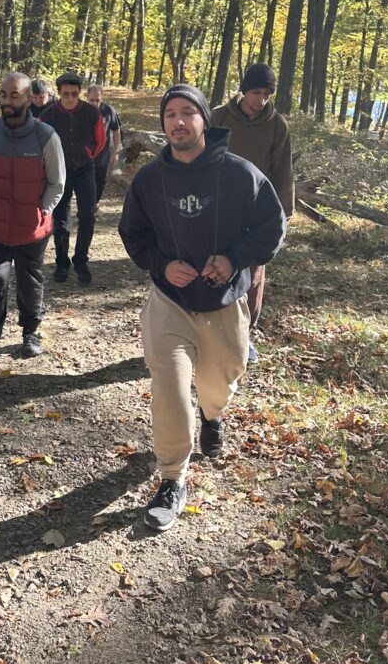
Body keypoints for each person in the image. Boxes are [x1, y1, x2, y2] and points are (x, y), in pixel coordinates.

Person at [119, 84, 285, 533]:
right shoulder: (150, 180)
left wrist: (234, 259)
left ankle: (212, 416)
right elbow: (133, 234)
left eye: (187, 112)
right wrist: (161, 264)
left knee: (220, 382)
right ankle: (172, 478)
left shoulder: (240, 174)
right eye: (169, 114)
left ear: (204, 121)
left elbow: (272, 226)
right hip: (170, 302)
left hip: (224, 303)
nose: (177, 121)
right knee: (170, 386)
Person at [0, 72, 65, 381]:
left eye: (14, 95)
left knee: (30, 282)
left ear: (28, 99)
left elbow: (57, 182)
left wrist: (43, 210)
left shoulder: (46, 136)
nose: (7, 101)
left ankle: (30, 332)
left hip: (32, 229)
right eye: (3, 95)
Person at [210, 63, 294, 361]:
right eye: (256, 92)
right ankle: (210, 333)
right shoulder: (219, 117)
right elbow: (204, 160)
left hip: (259, 210)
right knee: (215, 269)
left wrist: (283, 214)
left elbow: (283, 172)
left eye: (266, 93)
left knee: (254, 274)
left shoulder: (277, 126)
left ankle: (245, 336)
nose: (260, 100)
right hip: (220, 206)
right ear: (244, 90)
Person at [39, 71, 106, 284]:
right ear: (58, 94)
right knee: (60, 219)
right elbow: (40, 143)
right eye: (66, 94)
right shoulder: (47, 116)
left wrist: (89, 153)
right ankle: (61, 264)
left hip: (85, 170)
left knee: (87, 216)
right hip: (59, 173)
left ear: (80, 94)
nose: (70, 98)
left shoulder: (92, 113)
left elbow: (101, 140)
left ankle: (81, 262)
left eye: (74, 94)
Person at [86, 84, 122, 206]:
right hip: (84, 155)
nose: (95, 103)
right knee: (86, 183)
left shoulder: (108, 110)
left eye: (98, 100)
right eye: (92, 100)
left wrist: (116, 152)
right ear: (87, 96)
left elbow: (116, 131)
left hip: (102, 155)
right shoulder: (81, 110)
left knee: (99, 183)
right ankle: (87, 207)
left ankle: (93, 204)